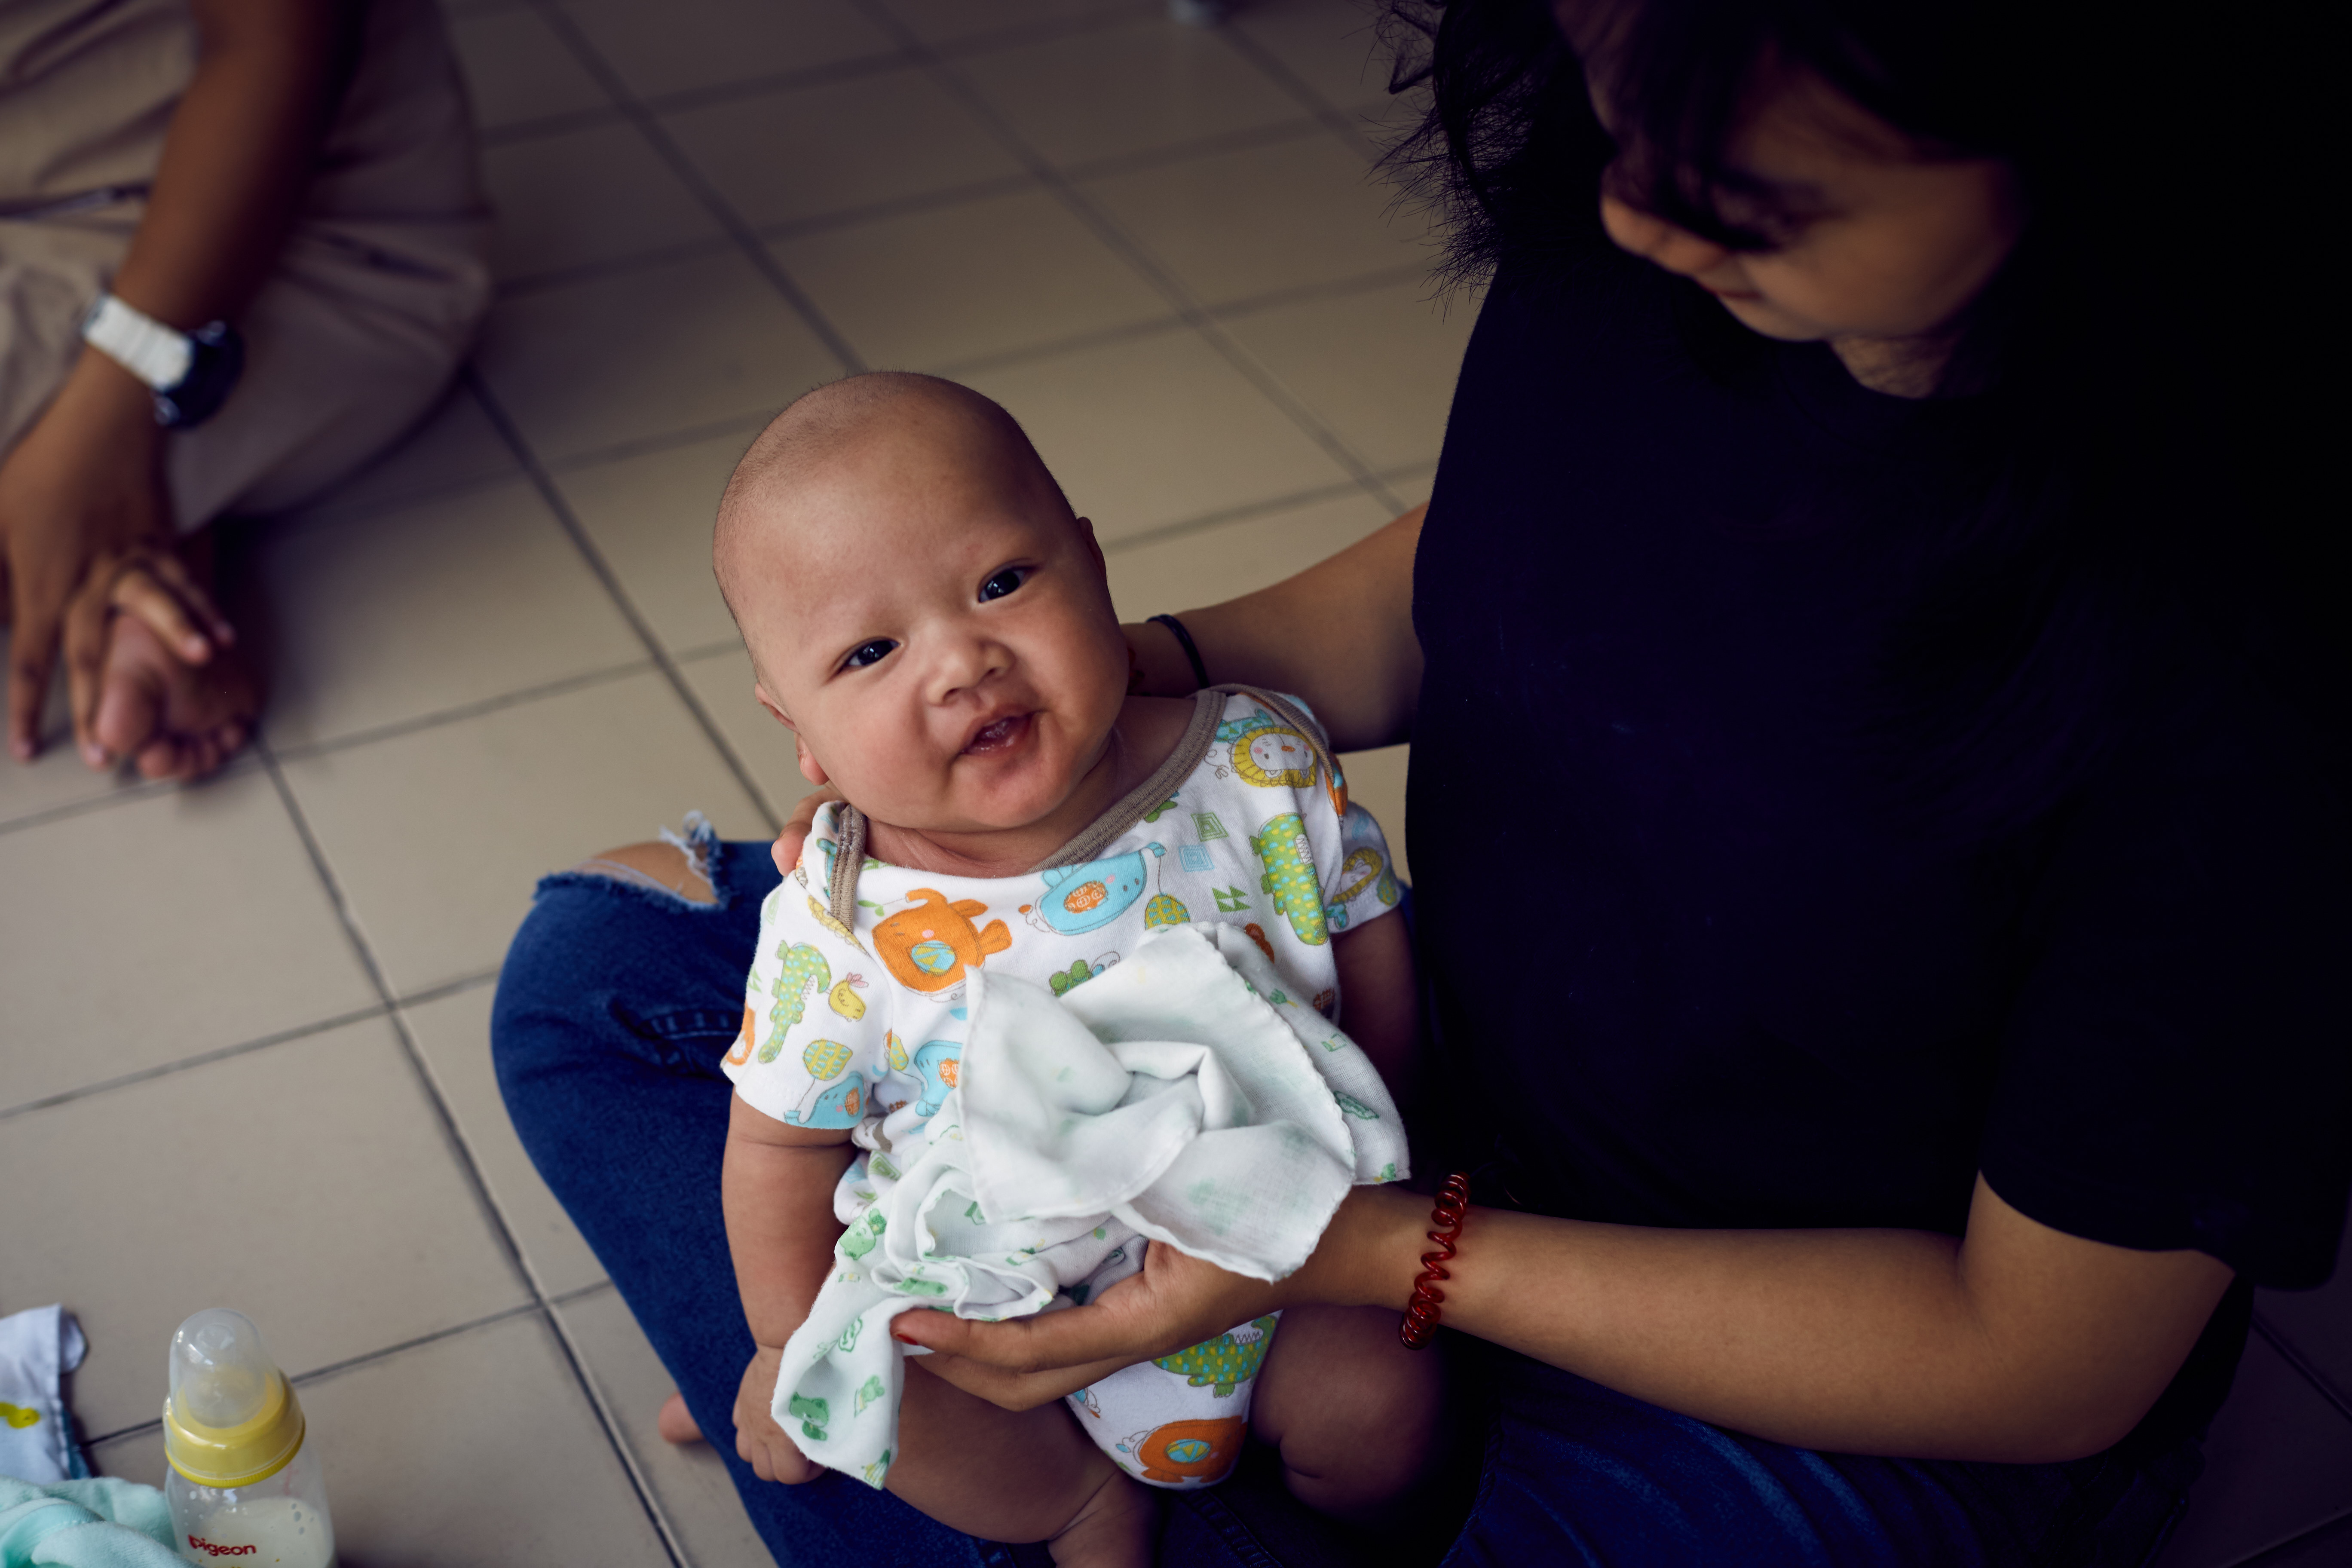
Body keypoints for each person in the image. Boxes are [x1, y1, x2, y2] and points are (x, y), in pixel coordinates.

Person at [493, 1, 2348, 1563]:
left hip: (1812, 1370)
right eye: (1613, 63)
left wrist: (1374, 1248)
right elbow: (1493, 577)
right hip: (1390, 1114)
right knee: (601, 982)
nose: (1632, 204)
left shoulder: (2239, 662)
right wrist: (1095, 701)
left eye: (1751, 192)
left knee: (1132, 1436)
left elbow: (2042, 1363)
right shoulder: (1650, 232)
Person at [699, 372, 1433, 1565]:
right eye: (872, 650)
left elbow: (1369, 949)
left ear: (1092, 565)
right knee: (874, 1392)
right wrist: (790, 1340)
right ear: (798, 728)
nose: (961, 662)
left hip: (1284, 1244)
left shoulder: (1255, 763)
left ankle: (1369, 1532)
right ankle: (1082, 1507)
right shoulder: (837, 926)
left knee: (1393, 1400)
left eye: (1001, 583)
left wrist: (1395, 1168)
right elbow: (780, 1145)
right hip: (997, 1311)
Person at [0, 0, 489, 781]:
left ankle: (145, 544)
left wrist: (104, 436)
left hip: (294, 241)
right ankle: (160, 562)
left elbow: (272, 42)